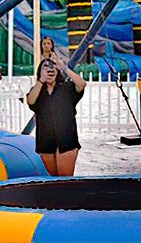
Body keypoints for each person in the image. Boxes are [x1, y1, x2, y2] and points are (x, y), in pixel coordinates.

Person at [27, 37, 85, 176]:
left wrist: (64, 67)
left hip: (67, 141)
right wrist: (41, 80)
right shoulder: (38, 92)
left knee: (64, 181)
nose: (49, 71)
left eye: (52, 68)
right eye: (45, 69)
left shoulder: (66, 89)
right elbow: (30, 101)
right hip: (45, 142)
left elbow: (81, 84)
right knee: (53, 180)